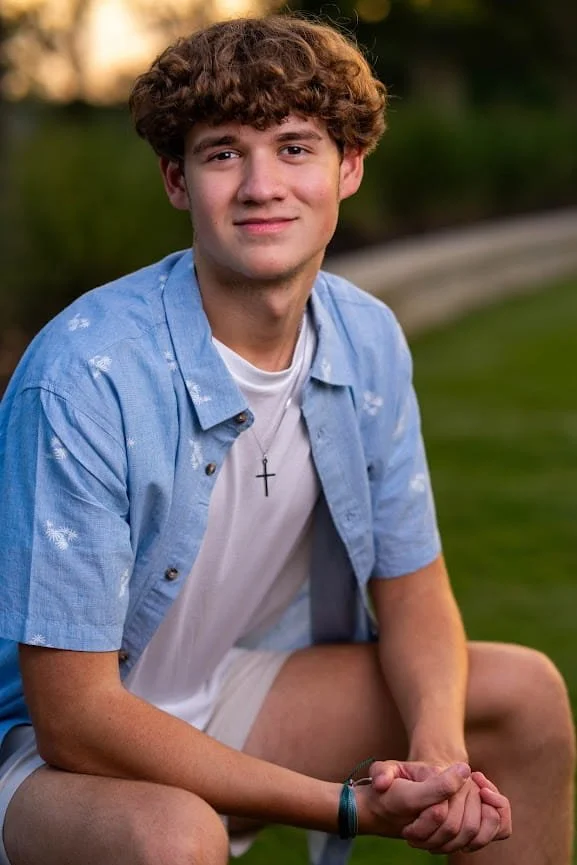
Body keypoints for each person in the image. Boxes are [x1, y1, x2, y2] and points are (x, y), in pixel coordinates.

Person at [0, 14, 573, 865]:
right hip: (50, 749)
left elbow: (414, 591)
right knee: (173, 836)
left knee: (521, 695)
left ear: (348, 168)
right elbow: (75, 716)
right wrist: (343, 805)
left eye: (296, 147)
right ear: (175, 179)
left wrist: (440, 757)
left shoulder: (365, 338)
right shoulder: (86, 374)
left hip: (233, 685)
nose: (262, 184)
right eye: (223, 152)